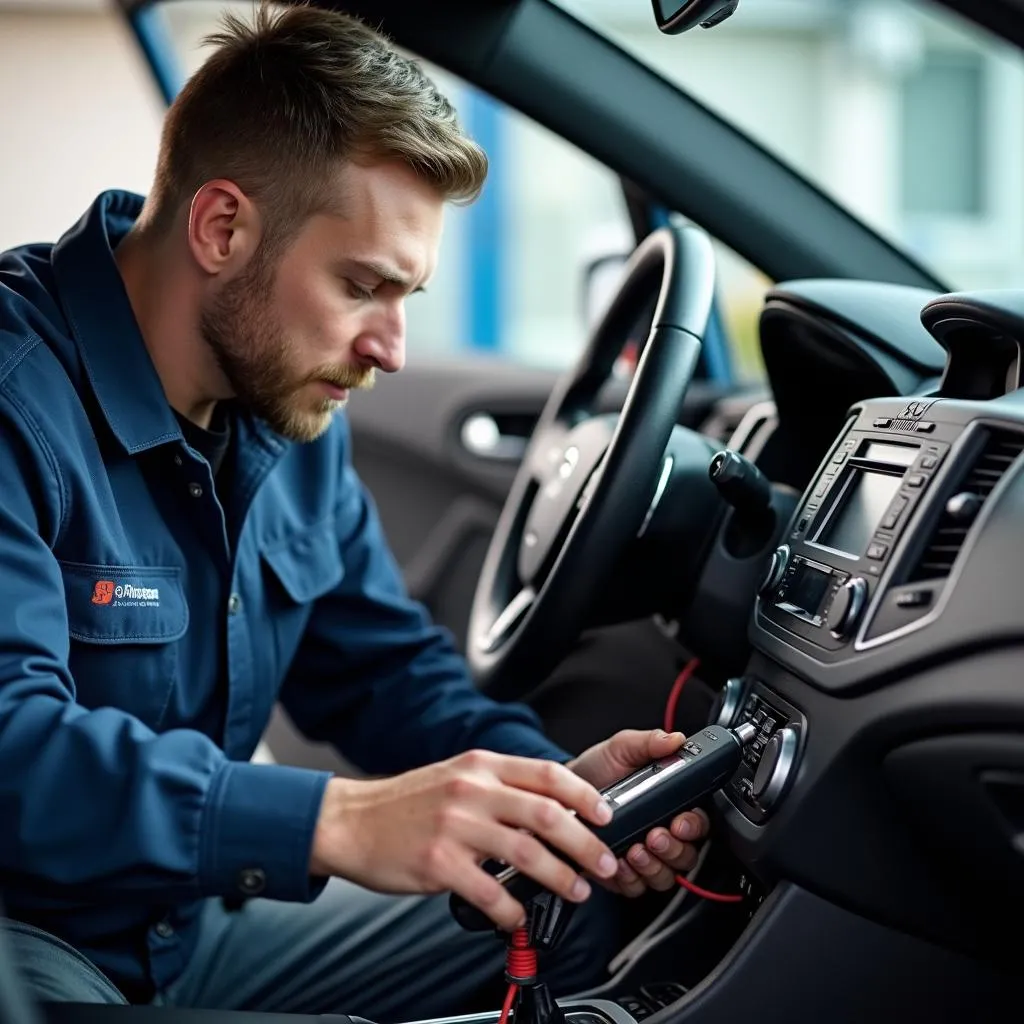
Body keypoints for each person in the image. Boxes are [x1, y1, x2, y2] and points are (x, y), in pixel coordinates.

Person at [0, 3, 710, 1019]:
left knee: (559, 903)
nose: (391, 346)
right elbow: (13, 747)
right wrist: (334, 821)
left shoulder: (284, 407)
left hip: (187, 922)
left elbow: (382, 675)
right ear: (222, 227)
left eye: (407, 295)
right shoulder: (15, 400)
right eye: (363, 285)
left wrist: (554, 801)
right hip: (29, 942)